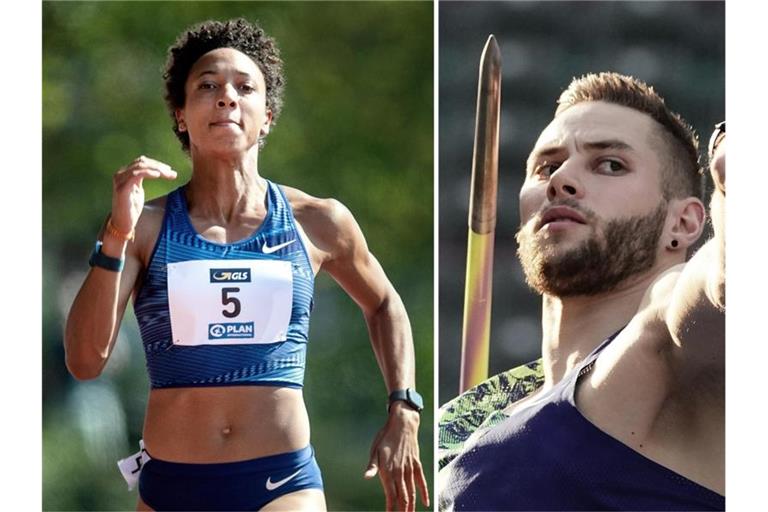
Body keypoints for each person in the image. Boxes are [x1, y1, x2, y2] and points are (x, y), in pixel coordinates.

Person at [64, 18, 429, 512]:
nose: (226, 97)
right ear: (180, 114)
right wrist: (115, 234)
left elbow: (384, 302)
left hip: (281, 480)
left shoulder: (318, 222)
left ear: (268, 114)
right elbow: (86, 362)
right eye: (208, 86)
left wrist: (403, 408)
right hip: (173, 487)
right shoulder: (145, 228)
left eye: (244, 87)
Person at [438, 72, 724, 510]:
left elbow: (715, 287)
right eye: (546, 167)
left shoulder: (671, 352)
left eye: (610, 164)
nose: (562, 180)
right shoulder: (472, 418)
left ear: (683, 223)